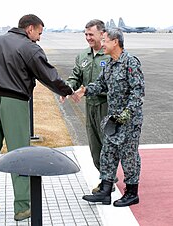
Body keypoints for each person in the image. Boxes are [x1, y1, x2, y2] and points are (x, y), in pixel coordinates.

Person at [0, 14, 78, 221]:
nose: (39, 38)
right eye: (39, 33)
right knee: (20, 153)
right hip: (14, 102)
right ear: (30, 28)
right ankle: (22, 208)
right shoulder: (29, 47)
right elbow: (49, 75)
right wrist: (67, 91)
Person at [75, 28, 145, 207]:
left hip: (129, 121)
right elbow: (100, 84)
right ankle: (105, 191)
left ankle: (132, 193)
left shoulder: (130, 62)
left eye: (105, 40)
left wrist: (125, 116)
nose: (102, 44)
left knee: (129, 157)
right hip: (113, 119)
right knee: (108, 154)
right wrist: (85, 90)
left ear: (116, 42)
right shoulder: (110, 65)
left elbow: (138, 93)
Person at [60, 19, 114, 193]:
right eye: (86, 35)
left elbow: (116, 84)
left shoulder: (111, 55)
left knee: (109, 145)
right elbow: (75, 76)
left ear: (102, 34)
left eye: (91, 34)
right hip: (90, 106)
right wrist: (66, 89)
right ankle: (106, 176)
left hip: (107, 106)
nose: (88, 38)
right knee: (94, 146)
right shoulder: (82, 56)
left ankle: (107, 181)